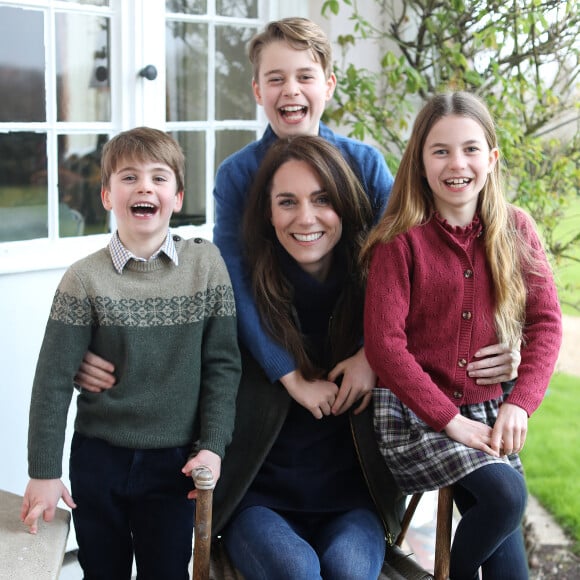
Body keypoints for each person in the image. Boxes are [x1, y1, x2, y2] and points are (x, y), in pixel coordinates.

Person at [75, 16, 521, 408]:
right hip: (274, 357)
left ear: (328, 85)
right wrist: (287, 373)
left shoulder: (365, 165)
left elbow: (414, 266)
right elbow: (233, 282)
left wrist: (373, 356)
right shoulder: (237, 175)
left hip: (361, 351)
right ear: (257, 90)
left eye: (305, 76)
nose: (290, 90)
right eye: (275, 78)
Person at [21, 127, 241, 580]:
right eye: (129, 177)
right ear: (106, 195)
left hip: (176, 463)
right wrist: (43, 471)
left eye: (159, 178)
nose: (145, 187)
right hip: (98, 459)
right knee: (102, 571)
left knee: (166, 571)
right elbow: (54, 379)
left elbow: (222, 366)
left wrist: (213, 447)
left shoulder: (206, 266)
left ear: (177, 198)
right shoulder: (83, 280)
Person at [362, 92, 563, 579]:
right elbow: (384, 345)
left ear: (491, 159)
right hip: (414, 417)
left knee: (509, 563)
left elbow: (546, 322)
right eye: (441, 151)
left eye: (471, 149)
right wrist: (449, 418)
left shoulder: (515, 229)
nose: (458, 163)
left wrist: (520, 402)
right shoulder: (400, 241)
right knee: (508, 494)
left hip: (486, 412)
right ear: (420, 161)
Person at [214, 135, 392, 579]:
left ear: (346, 206)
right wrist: (96, 357)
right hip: (260, 502)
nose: (306, 217)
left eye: (322, 200)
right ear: (268, 214)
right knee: (297, 572)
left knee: (348, 573)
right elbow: (173, 348)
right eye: (287, 202)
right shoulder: (244, 299)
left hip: (352, 501)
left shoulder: (378, 299)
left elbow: (444, 328)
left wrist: (507, 359)